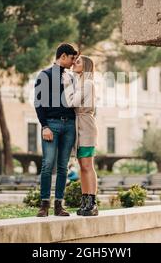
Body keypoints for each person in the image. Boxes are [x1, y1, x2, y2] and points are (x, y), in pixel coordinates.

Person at [34, 43, 78, 217]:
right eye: (72, 58)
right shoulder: (44, 75)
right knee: (47, 165)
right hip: (51, 125)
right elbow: (38, 103)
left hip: (69, 125)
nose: (73, 62)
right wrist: (44, 125)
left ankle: (59, 205)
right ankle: (44, 205)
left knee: (63, 168)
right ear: (63, 56)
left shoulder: (71, 77)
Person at [63, 55, 99, 216]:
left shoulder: (88, 83)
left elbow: (72, 103)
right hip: (79, 126)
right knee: (82, 167)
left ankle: (92, 203)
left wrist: (67, 83)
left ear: (85, 66)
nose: (74, 63)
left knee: (87, 166)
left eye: (78, 62)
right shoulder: (80, 83)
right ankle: (85, 201)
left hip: (86, 126)